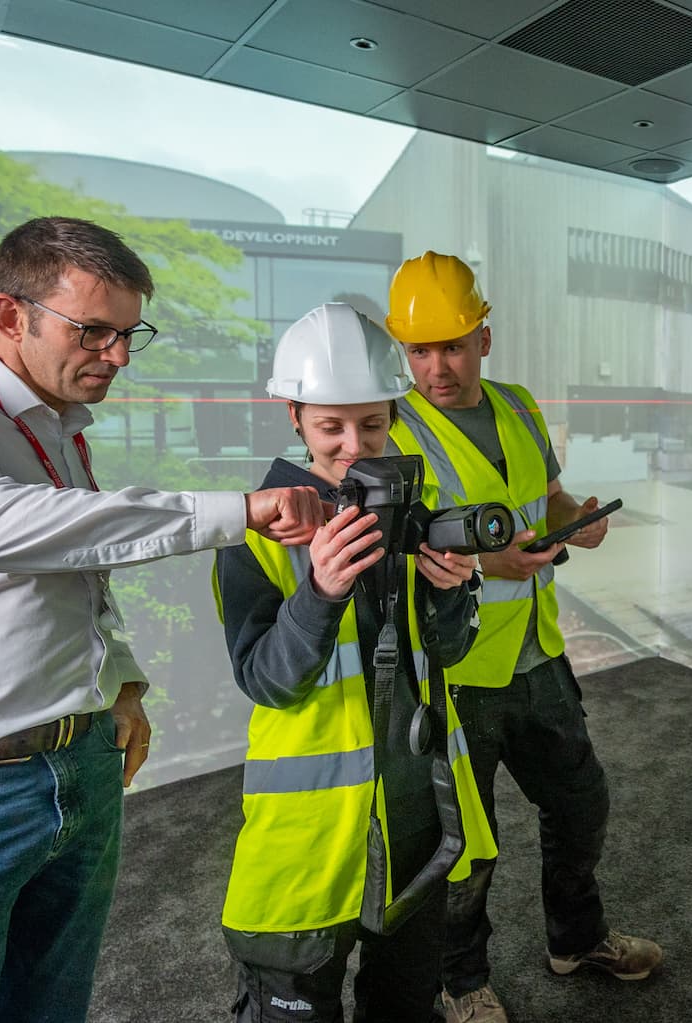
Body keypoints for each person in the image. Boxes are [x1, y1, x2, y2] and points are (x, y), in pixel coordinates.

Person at [0, 216, 326, 1023]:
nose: (116, 356)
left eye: (127, 333)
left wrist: (122, 685)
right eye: (95, 331)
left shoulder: (56, 432)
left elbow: (69, 570)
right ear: (11, 316)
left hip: (74, 772)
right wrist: (239, 510)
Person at [382, 252, 662, 1023]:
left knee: (581, 803)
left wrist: (584, 517)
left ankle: (578, 938)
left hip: (537, 653)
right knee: (468, 846)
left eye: (453, 345)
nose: (437, 366)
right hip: (454, 668)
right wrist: (486, 559)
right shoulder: (391, 431)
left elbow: (547, 495)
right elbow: (389, 552)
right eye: (420, 349)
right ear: (402, 349)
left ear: (485, 337)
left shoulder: (518, 406)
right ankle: (460, 979)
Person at [213, 303, 499, 1021]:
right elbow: (265, 678)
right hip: (313, 833)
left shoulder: (413, 505)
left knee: (404, 1003)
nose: (352, 446)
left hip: (418, 811)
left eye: (372, 424)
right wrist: (320, 590)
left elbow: (449, 652)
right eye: (331, 427)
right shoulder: (255, 533)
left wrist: (454, 590)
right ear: (295, 416)